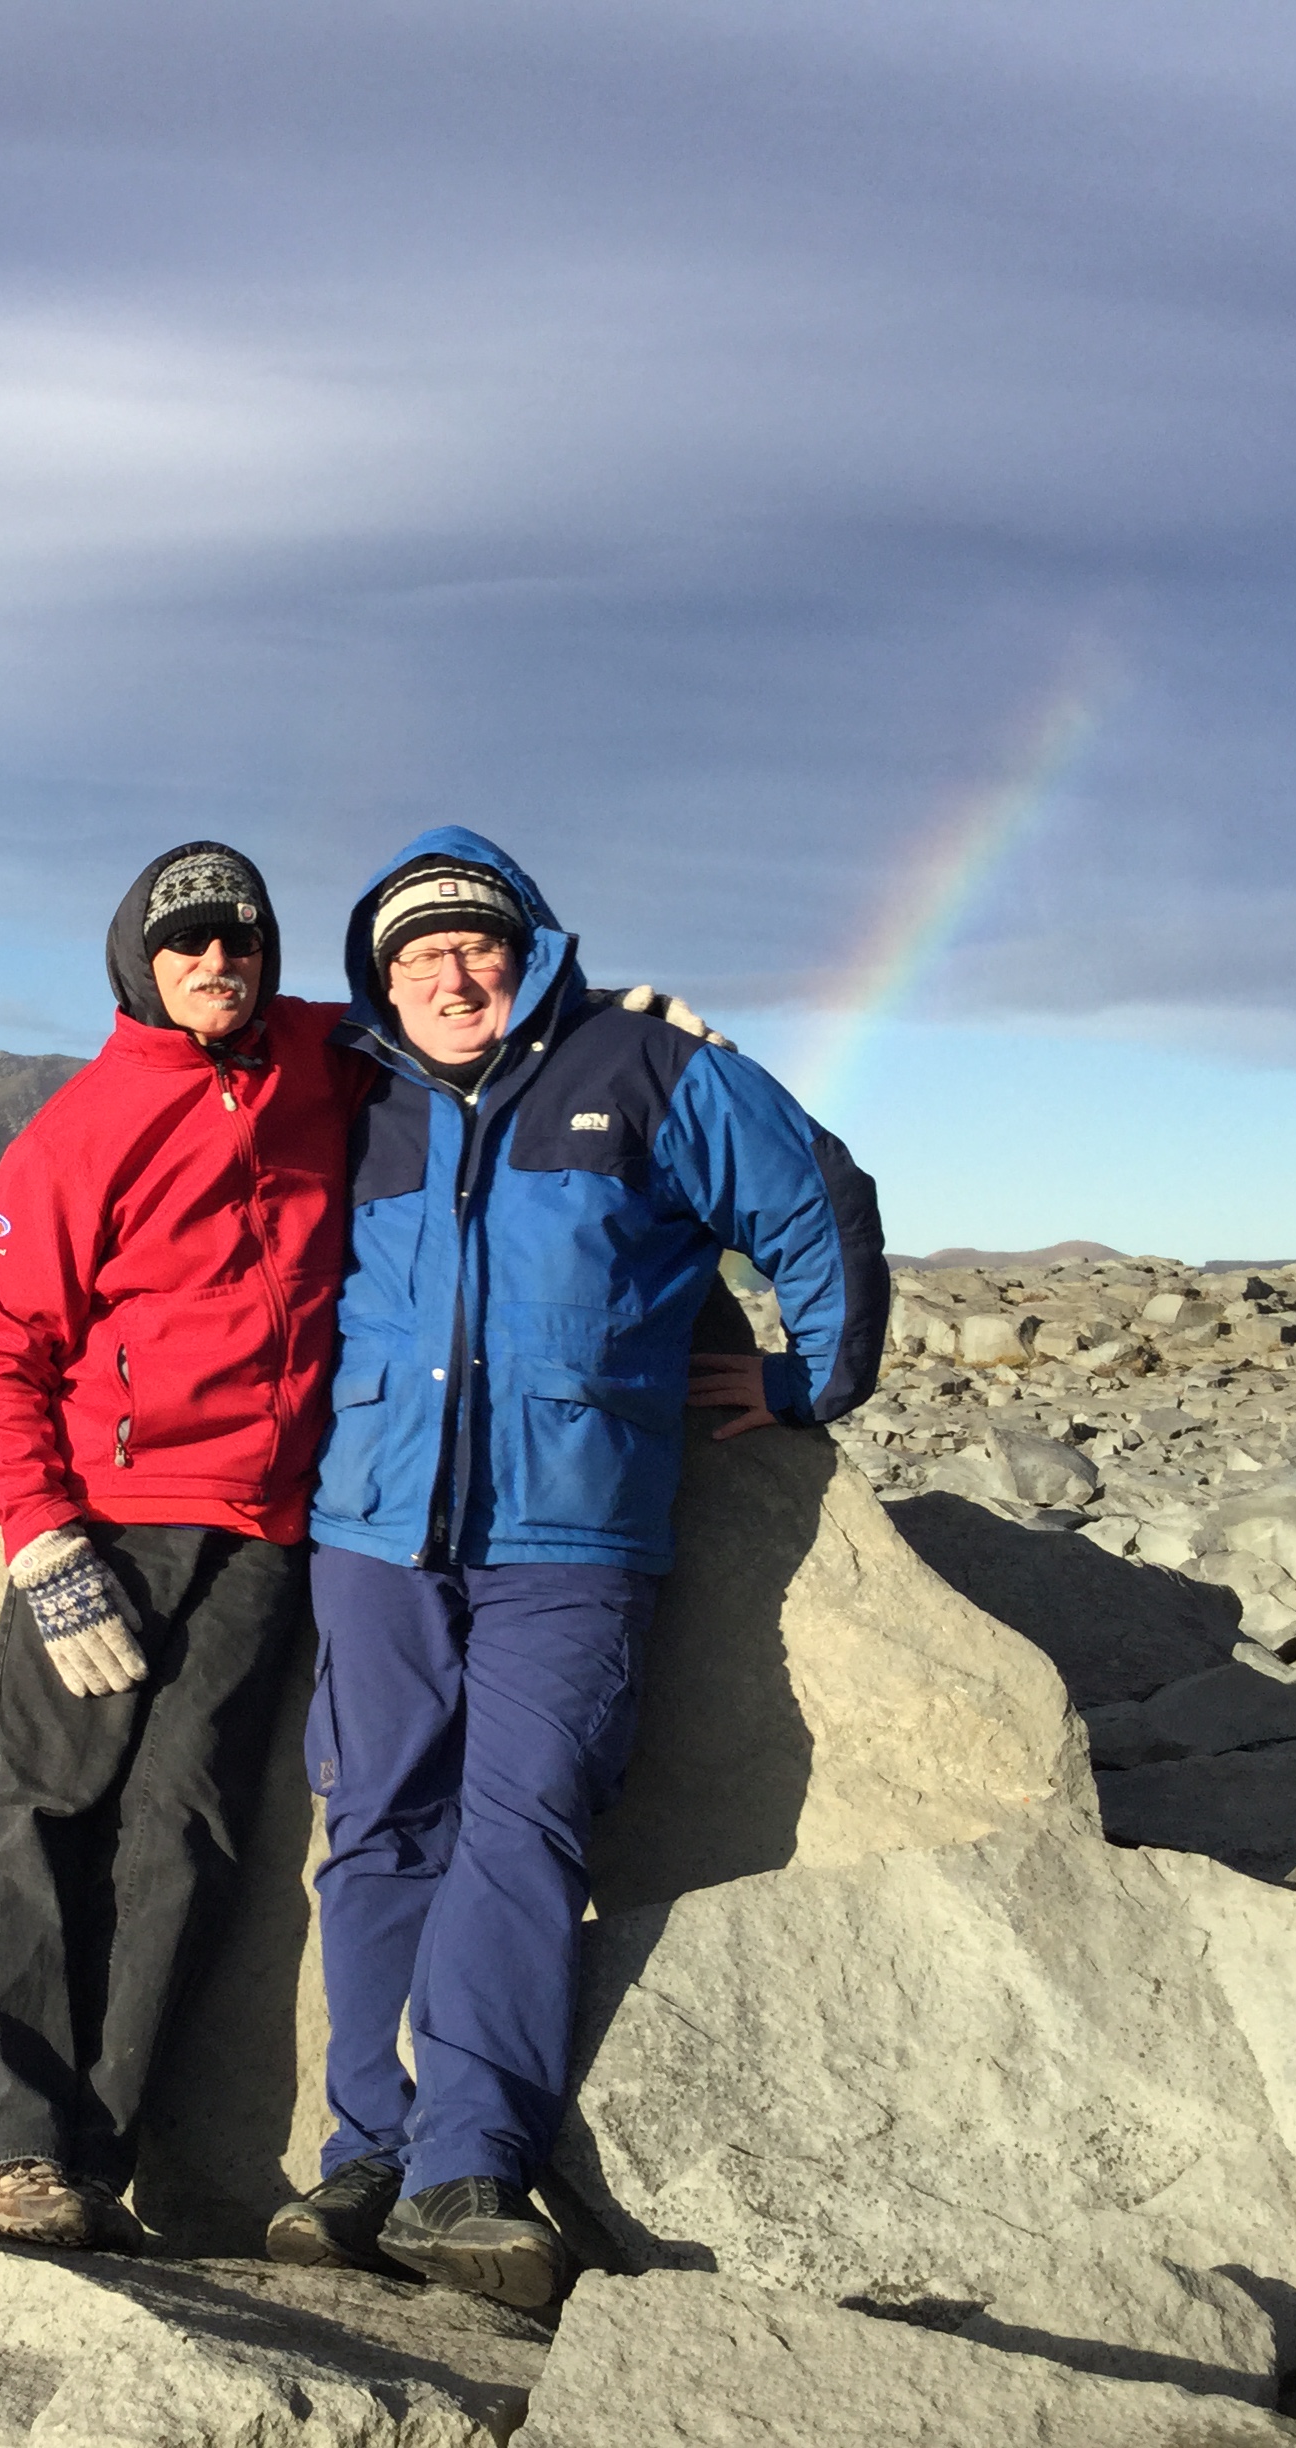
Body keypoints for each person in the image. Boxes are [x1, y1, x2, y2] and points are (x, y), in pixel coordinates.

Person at [265, 825, 887, 2307]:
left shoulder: (646, 1071)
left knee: (523, 1816)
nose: (447, 972)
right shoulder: (358, 1097)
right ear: (379, 978)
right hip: (374, 1529)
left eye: (473, 942)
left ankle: (467, 2164)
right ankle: (367, 2149)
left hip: (573, 1530)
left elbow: (817, 1201)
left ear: (528, 945)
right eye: (415, 954)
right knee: (371, 1822)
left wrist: (811, 1381)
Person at [0, 839, 370, 2247]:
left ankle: (96, 2161)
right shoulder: (75, 1130)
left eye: (237, 938)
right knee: (39, 1820)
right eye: (185, 942)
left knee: (184, 1838)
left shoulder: (319, 1056)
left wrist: (630, 1029)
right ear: (139, 960)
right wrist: (43, 1544)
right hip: (109, 1529)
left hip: (260, 1535)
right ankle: (11, 2146)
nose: (214, 961)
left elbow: (457, 1006)